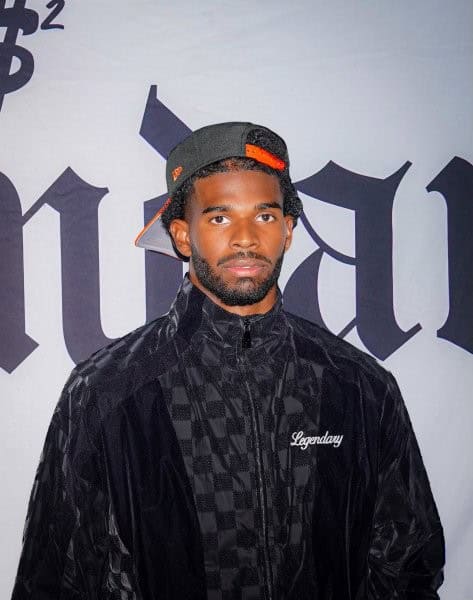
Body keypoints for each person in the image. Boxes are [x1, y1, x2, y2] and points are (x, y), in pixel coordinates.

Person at [12, 122, 445, 599]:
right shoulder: (106, 392)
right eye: (220, 217)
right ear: (182, 235)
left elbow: (409, 569)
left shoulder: (361, 388)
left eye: (265, 216)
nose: (246, 238)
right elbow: (55, 581)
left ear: (288, 231)